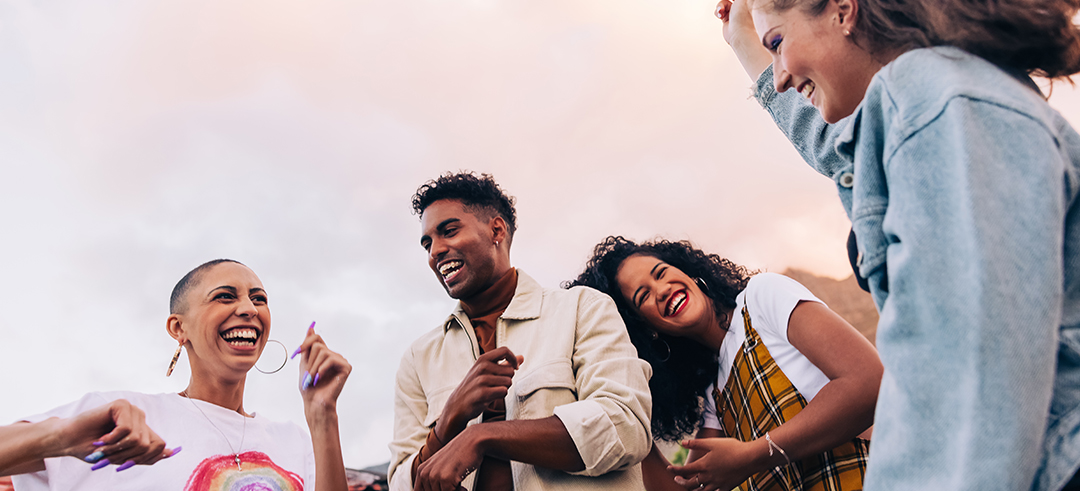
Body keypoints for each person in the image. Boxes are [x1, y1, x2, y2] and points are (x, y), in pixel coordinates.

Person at [715, 0, 1080, 489]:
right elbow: (840, 145)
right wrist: (746, 39)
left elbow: (973, 369)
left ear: (844, 12)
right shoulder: (922, 99)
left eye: (778, 44)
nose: (778, 77)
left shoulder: (932, 100)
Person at [388, 172, 653, 491]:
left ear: (496, 229)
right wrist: (447, 423)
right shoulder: (418, 359)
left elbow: (626, 428)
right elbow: (401, 483)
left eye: (449, 231)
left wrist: (483, 436)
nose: (435, 252)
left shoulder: (582, 308)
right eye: (427, 243)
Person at [567, 236, 881, 491]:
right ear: (646, 330)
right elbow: (683, 488)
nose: (662, 290)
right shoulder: (716, 394)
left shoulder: (761, 298)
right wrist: (628, 407)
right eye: (643, 296)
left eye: (661, 273)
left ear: (688, 271)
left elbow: (869, 382)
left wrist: (754, 456)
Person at [9, 259, 352, 491]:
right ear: (178, 327)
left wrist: (323, 416)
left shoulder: (294, 441)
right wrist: (61, 438)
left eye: (258, 299)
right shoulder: (119, 416)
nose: (249, 309)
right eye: (225, 296)